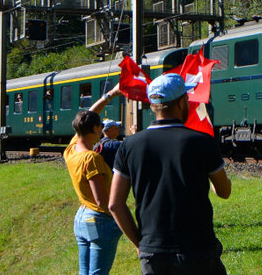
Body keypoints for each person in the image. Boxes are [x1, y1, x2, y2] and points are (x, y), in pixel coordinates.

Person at [109, 73, 232, 275]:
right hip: (198, 248)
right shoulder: (202, 141)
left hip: (153, 251)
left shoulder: (129, 145)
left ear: (153, 106)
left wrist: (140, 244)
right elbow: (224, 191)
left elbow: (114, 204)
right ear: (182, 103)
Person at [64, 82, 125, 275]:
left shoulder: (71, 150)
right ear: (95, 129)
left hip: (82, 218)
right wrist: (119, 219)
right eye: (100, 127)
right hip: (99, 220)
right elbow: (101, 201)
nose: (102, 130)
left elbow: (88, 115)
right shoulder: (91, 158)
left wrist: (111, 94)